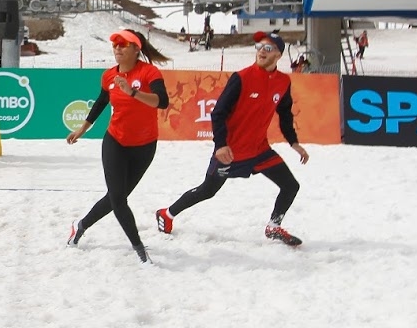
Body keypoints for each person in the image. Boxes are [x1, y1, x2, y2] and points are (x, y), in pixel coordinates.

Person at [155, 31, 310, 247]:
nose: (261, 51)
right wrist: (220, 145)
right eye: (259, 47)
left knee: (291, 185)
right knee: (207, 191)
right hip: (231, 151)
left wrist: (294, 143)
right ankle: (167, 213)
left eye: (268, 48)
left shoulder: (283, 82)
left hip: (259, 150)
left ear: (278, 55)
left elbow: (285, 114)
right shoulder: (242, 77)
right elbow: (218, 113)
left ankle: (273, 226)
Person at [65, 29, 169, 263]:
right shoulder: (108, 76)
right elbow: (102, 102)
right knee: (119, 199)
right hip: (115, 141)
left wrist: (132, 92)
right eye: (115, 45)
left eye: (123, 45)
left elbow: (162, 102)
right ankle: (141, 252)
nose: (118, 49)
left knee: (116, 197)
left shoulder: (149, 72)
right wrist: (82, 129)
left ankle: (80, 225)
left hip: (144, 145)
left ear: (136, 49)